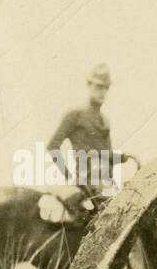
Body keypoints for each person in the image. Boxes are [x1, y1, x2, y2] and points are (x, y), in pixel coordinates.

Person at [46, 64, 136, 207]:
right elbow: (52, 147)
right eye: (99, 87)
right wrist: (70, 177)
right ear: (89, 85)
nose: (103, 92)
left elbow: (107, 155)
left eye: (106, 88)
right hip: (88, 187)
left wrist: (126, 157)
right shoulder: (75, 114)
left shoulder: (105, 120)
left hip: (107, 185)